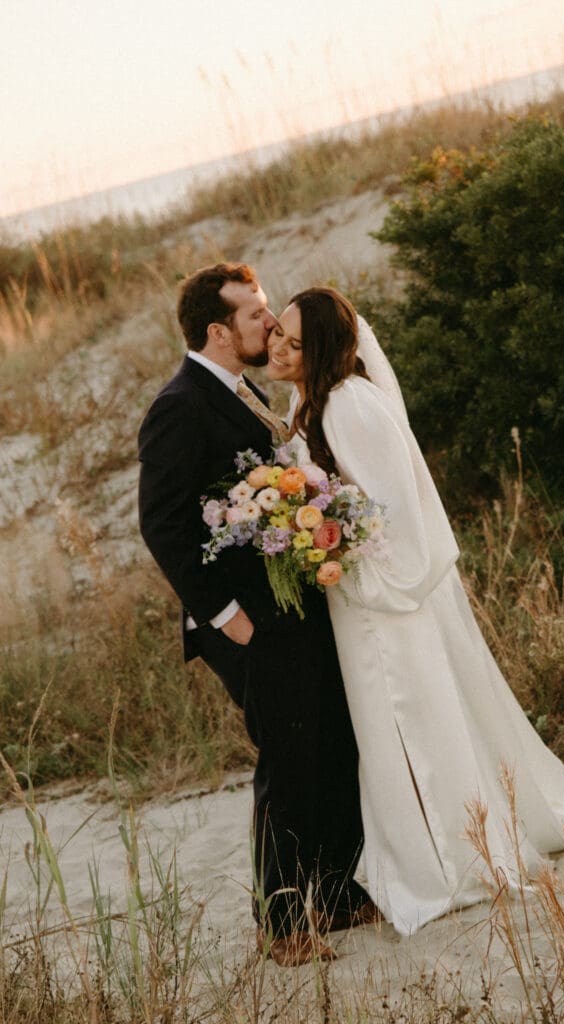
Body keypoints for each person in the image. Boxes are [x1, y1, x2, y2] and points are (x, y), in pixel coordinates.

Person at [266, 285, 564, 937]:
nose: (278, 348)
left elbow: (393, 513)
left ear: (319, 350)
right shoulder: (307, 401)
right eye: (276, 335)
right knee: (388, 726)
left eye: (293, 341)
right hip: (352, 598)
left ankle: (451, 855)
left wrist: (325, 537)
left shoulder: (350, 405)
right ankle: (418, 848)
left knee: (409, 713)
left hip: (382, 602)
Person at [137, 264, 375, 966]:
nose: (271, 326)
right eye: (257, 315)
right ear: (218, 330)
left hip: (289, 607)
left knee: (332, 741)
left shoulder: (242, 393)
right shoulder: (180, 405)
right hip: (245, 619)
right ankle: (280, 924)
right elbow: (163, 525)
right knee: (288, 759)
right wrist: (226, 617)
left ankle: (332, 895)